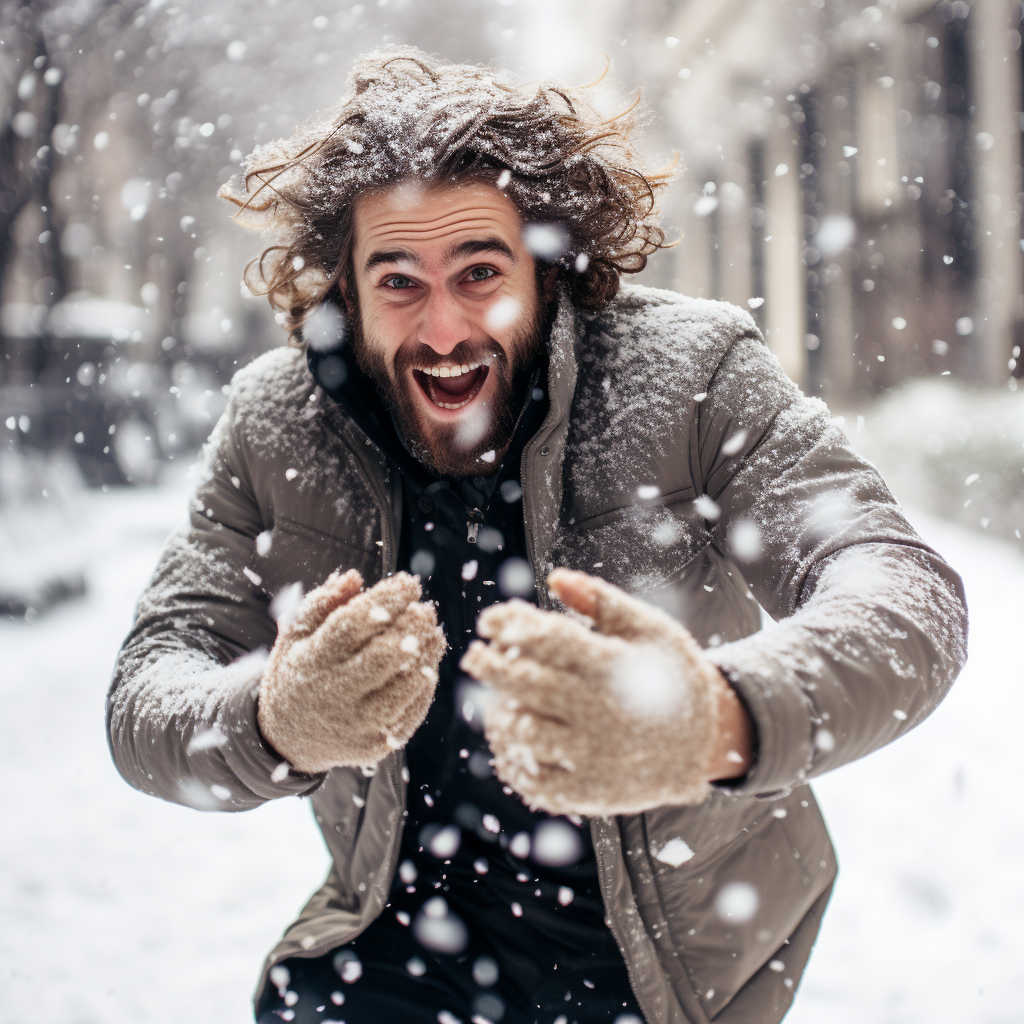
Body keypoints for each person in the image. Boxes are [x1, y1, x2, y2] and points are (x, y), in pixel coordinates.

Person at [107, 48, 968, 1024]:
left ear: (549, 269)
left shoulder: (693, 370)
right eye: (398, 282)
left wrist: (711, 718)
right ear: (345, 292)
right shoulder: (275, 422)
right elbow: (150, 682)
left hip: (662, 970)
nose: (441, 329)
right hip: (386, 947)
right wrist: (274, 717)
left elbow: (901, 589)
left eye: (480, 272)